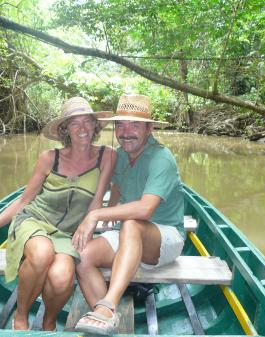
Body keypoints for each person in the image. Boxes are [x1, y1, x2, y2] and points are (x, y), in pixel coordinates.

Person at [0, 97, 116, 331]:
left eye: (87, 121)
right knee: (41, 253)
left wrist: (87, 228)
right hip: (34, 221)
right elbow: (24, 200)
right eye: (75, 123)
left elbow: (97, 202)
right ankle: (21, 316)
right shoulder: (49, 158)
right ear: (65, 129)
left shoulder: (107, 155)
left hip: (68, 233)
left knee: (61, 278)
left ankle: (48, 322)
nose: (83, 129)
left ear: (95, 125)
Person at [72, 94, 186, 335]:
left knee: (132, 223)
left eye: (134, 125)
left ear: (149, 128)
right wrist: (112, 206)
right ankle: (107, 320)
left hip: (165, 237)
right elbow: (118, 183)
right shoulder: (121, 155)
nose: (126, 132)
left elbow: (145, 210)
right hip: (127, 233)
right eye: (120, 125)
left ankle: (108, 306)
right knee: (82, 256)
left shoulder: (162, 158)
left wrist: (97, 215)